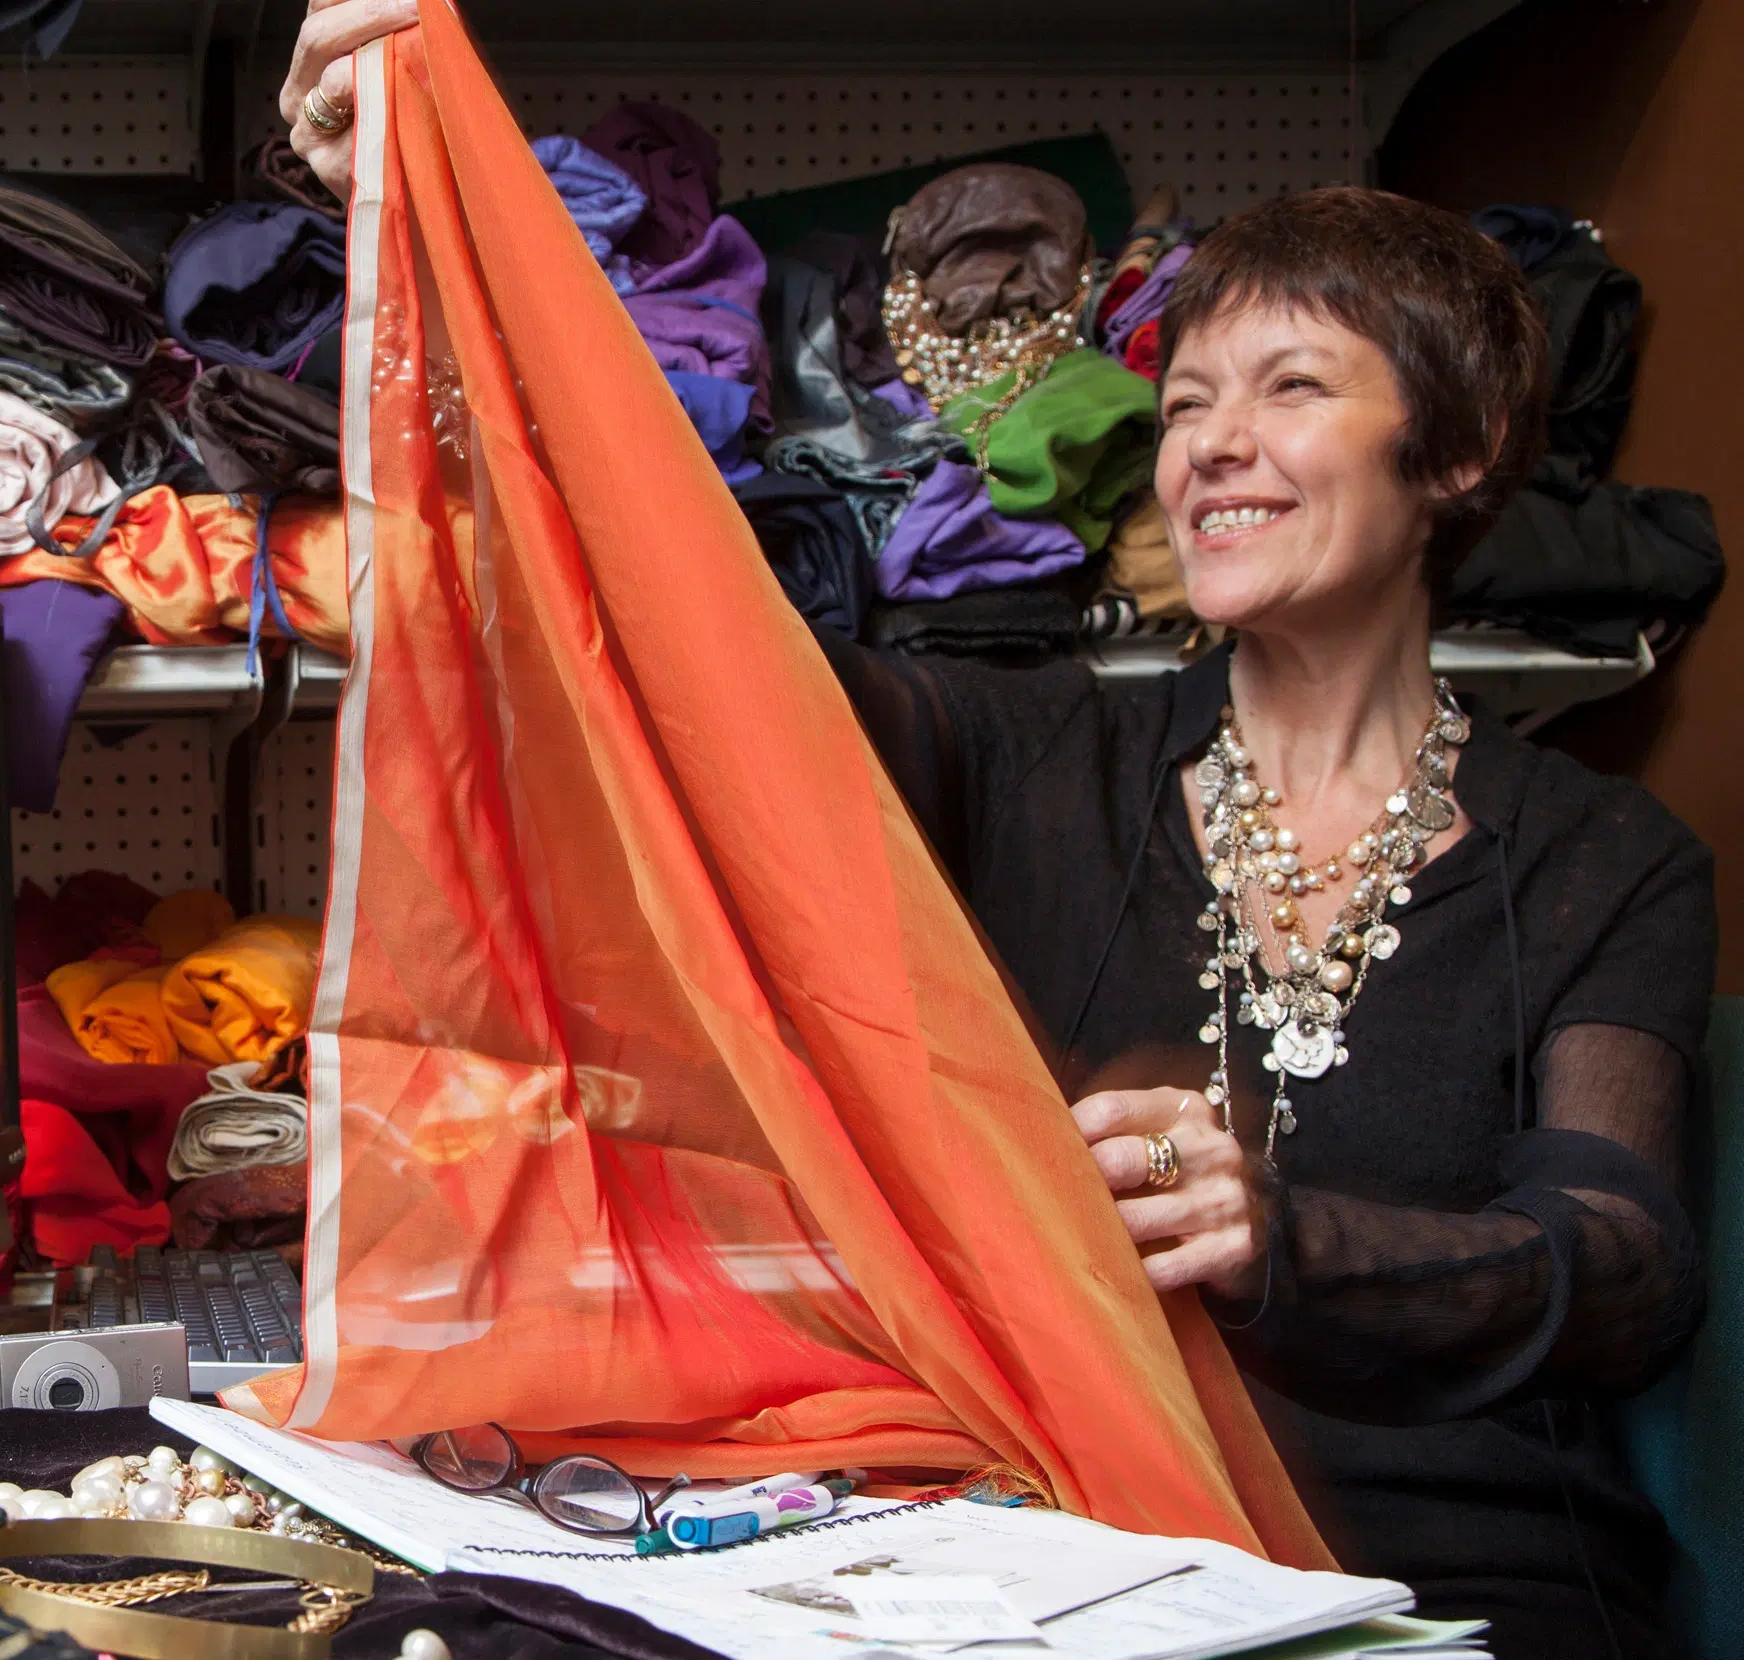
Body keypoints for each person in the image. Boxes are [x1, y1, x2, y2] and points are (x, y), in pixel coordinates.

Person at [284, 10, 1711, 1658]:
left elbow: (1620, 1269)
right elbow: (673, 646)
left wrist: (1285, 1242)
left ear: (1453, 455)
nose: (1209, 448)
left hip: (1465, 1594)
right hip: (1081, 1574)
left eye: (1292, 388)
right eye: (1184, 406)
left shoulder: (1612, 859)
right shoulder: (1033, 751)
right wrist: (418, 226)